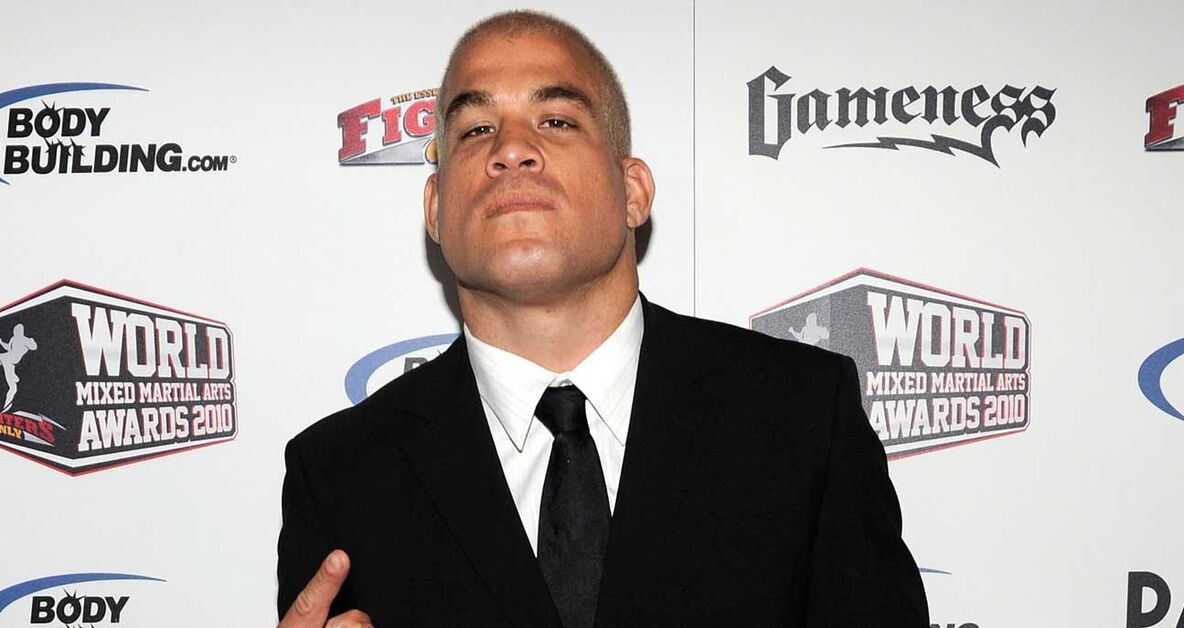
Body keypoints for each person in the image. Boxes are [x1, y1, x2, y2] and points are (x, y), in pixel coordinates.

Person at [277, 10, 928, 627]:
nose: (511, 149)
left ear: (633, 191)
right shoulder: (339, 473)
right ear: (436, 208)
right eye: (476, 130)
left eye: (556, 121)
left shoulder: (803, 417)